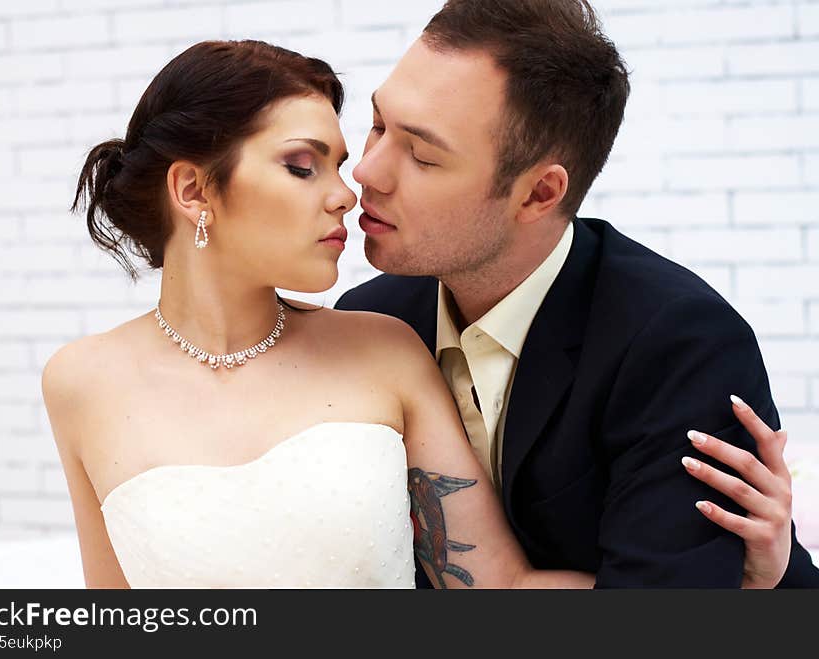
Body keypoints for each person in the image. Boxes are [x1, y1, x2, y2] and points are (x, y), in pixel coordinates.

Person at [43, 39, 792, 590]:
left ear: (539, 191)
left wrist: (747, 585)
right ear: (194, 191)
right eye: (308, 165)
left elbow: (494, 589)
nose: (352, 186)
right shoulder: (79, 382)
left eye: (418, 155)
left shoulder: (380, 346)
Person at [335, 0, 819, 587]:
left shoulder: (677, 345)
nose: (366, 172)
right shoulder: (369, 320)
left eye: (423, 155)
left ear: (539, 194)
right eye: (379, 125)